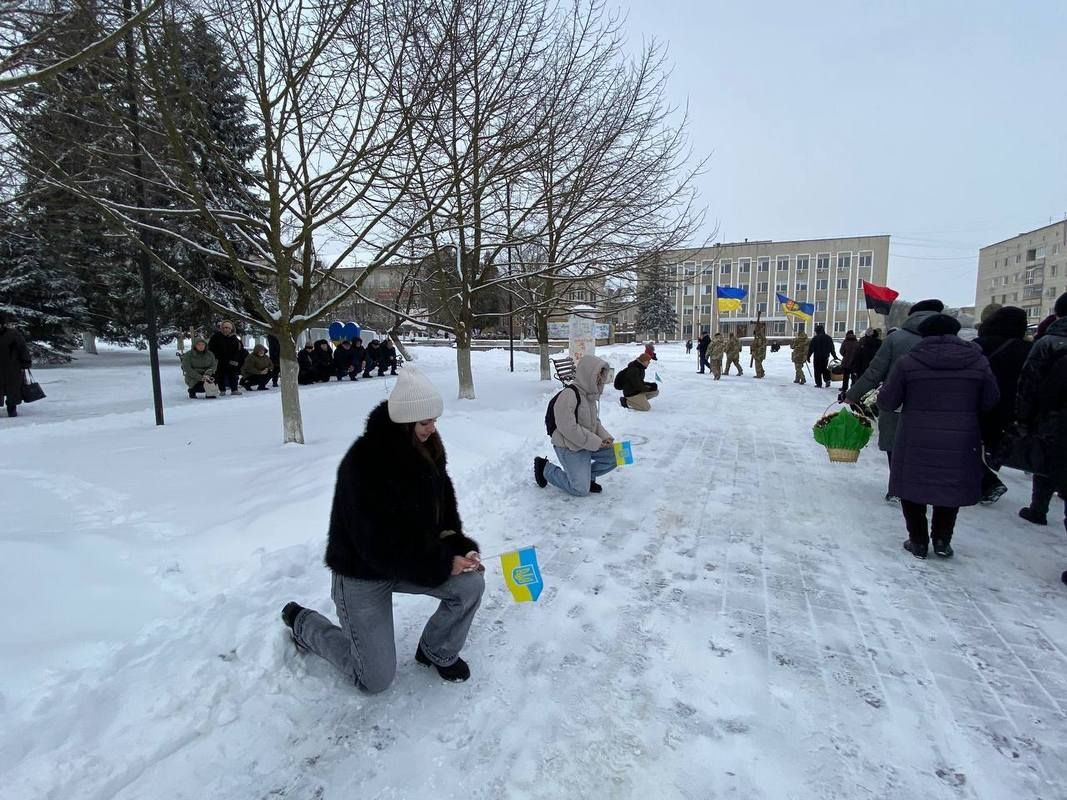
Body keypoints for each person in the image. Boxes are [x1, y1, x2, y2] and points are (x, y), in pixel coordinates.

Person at [281, 368, 485, 690]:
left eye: (435, 421)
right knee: (373, 680)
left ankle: (436, 651)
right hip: (362, 571)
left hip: (410, 560)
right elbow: (379, 546)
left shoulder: (429, 449)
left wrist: (458, 548)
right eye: (424, 423)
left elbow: (443, 513)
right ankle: (304, 624)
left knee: (470, 584)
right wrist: (442, 562)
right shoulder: (364, 463)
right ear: (404, 423)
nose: (432, 430)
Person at [878, 314, 998, 559]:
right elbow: (991, 399)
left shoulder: (908, 362)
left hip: (915, 435)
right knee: (949, 485)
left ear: (923, 334)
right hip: (961, 436)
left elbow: (889, 401)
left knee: (912, 486)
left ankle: (918, 541)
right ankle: (943, 540)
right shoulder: (977, 361)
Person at [845, 300, 945, 502]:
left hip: (897, 402)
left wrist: (852, 394)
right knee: (930, 447)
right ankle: (926, 485)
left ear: (912, 315)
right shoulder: (954, 342)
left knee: (896, 444)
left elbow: (875, 372)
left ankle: (898, 486)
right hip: (940, 407)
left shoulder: (896, 339)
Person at [1015, 292, 1067, 546]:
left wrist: (1023, 417)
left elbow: (1029, 382)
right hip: (1054, 413)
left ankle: (1039, 507)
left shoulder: (1048, 342)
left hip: (1053, 415)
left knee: (1047, 459)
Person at [534, 355, 617, 496]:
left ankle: (587, 477)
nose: (600, 379)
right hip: (569, 446)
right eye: (597, 375)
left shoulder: (589, 396)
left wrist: (605, 438)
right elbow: (569, 429)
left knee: (618, 455)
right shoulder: (569, 395)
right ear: (587, 374)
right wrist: (596, 442)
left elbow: (594, 422)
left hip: (586, 444)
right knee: (580, 489)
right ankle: (545, 469)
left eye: (601, 375)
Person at [974, 307, 1031, 504]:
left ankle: (987, 482)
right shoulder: (1029, 349)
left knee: (967, 445)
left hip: (980, 402)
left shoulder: (980, 345)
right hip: (1014, 407)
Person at [0, 312, 33, 417]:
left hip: (12, 367)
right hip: (8, 367)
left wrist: (26, 362)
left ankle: (12, 408)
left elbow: (23, 348)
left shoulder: (13, 334)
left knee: (12, 389)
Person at [209, 320, 243, 395]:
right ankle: (222, 390)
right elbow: (211, 349)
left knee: (233, 375)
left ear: (231, 329)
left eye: (228, 328)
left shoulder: (235, 338)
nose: (226, 329)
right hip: (220, 360)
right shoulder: (216, 337)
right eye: (224, 327)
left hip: (232, 361)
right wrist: (217, 358)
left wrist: (235, 359)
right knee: (220, 375)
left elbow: (239, 350)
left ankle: (234, 389)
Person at [807, 323, 838, 388]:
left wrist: (808, 356)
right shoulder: (828, 338)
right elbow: (832, 348)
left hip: (817, 357)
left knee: (817, 370)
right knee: (824, 369)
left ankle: (819, 383)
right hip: (825, 357)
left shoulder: (815, 338)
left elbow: (811, 349)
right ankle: (827, 380)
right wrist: (834, 356)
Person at [837, 330, 860, 400]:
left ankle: (844, 388)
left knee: (846, 377)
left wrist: (846, 355)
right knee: (853, 377)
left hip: (846, 363)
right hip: (854, 363)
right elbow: (859, 352)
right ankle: (852, 389)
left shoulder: (845, 342)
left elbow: (841, 351)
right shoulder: (857, 343)